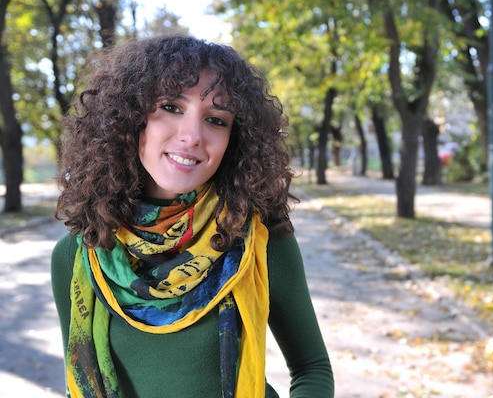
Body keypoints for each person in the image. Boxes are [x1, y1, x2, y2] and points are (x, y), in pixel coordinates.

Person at [51, 35, 334, 398]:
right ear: (132, 117)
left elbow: (312, 369)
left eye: (216, 119)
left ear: (236, 138)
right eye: (171, 107)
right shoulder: (75, 256)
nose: (192, 136)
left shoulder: (260, 240)